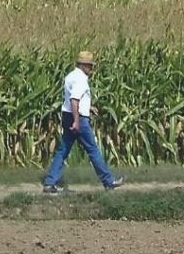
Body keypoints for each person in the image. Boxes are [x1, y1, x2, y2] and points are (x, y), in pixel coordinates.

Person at [42, 51, 124, 193]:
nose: (91, 70)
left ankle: (50, 182)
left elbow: (72, 98)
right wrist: (77, 121)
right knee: (93, 150)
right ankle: (108, 181)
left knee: (64, 149)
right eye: (90, 66)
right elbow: (75, 100)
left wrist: (88, 107)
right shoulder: (81, 79)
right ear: (84, 65)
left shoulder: (70, 76)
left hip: (67, 114)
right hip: (77, 118)